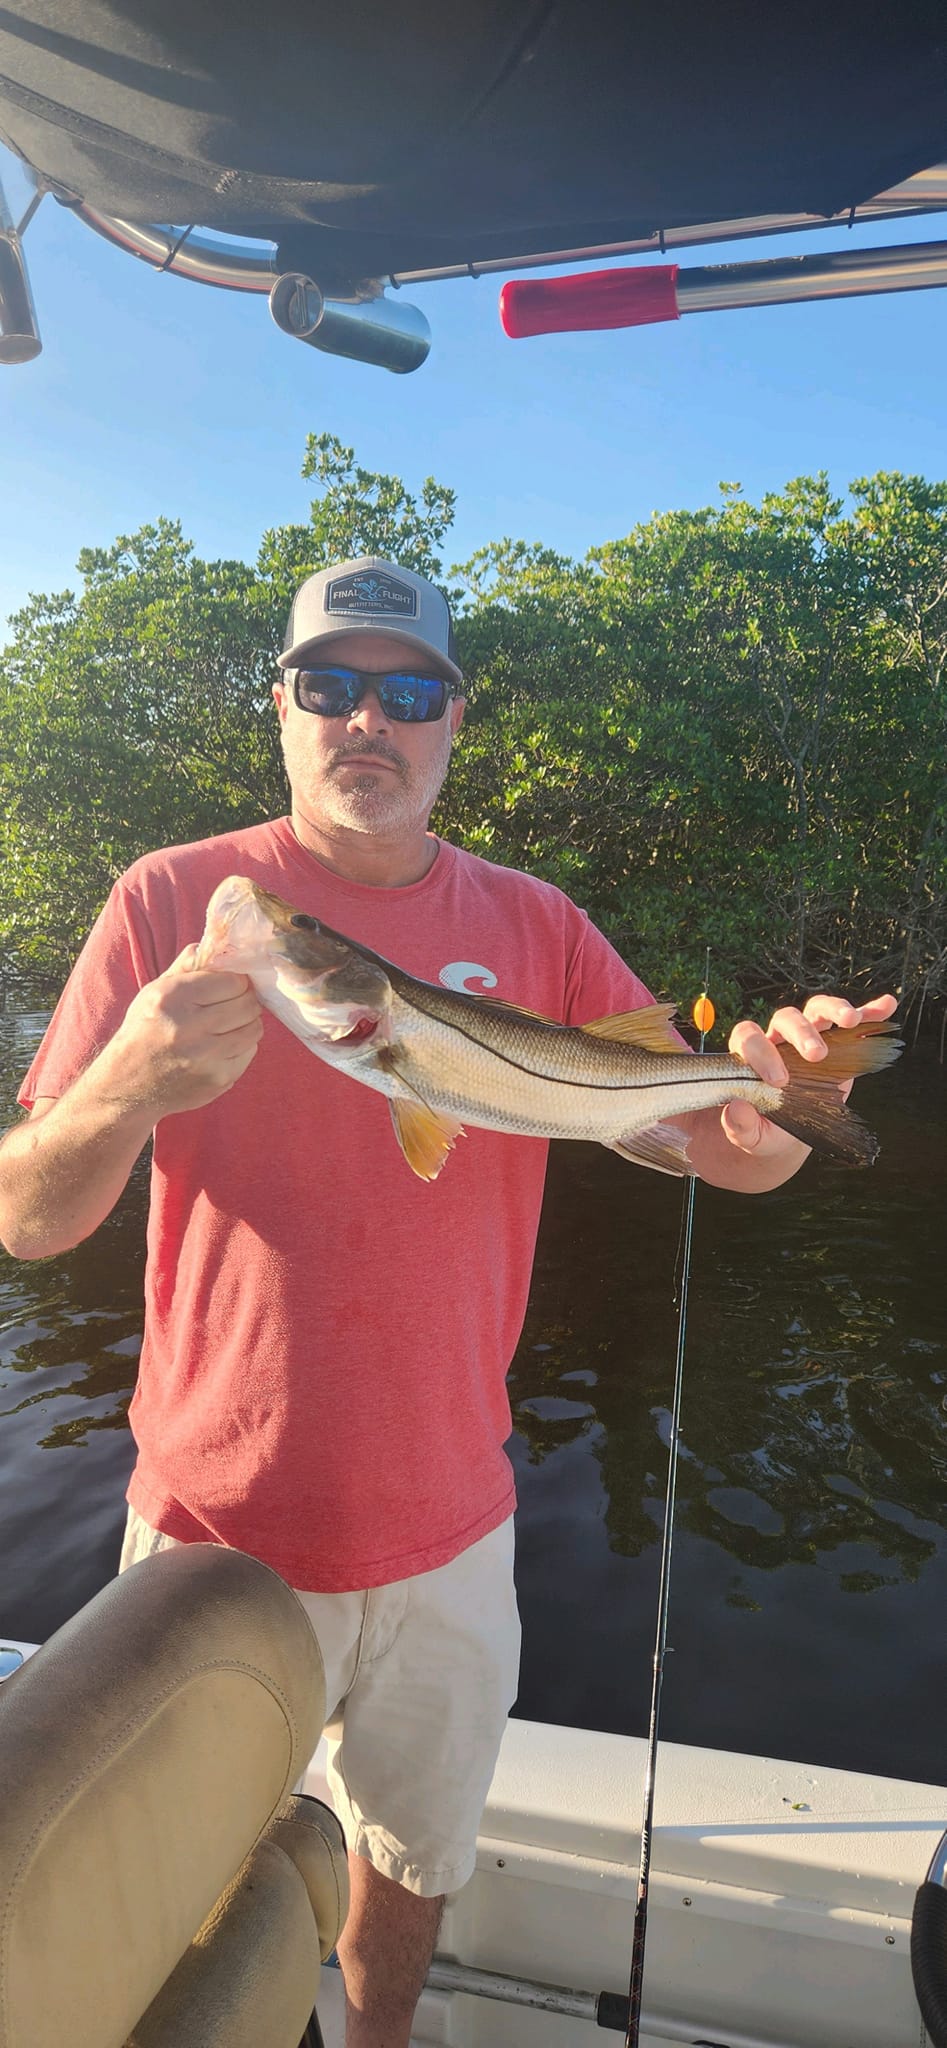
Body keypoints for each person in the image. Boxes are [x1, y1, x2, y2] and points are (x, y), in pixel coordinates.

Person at [0, 556, 895, 2046]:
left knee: (410, 1870)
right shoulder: (170, 902)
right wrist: (125, 1086)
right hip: (217, 1537)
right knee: (190, 1898)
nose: (369, 720)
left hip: (452, 1532)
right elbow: (31, 1220)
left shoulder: (535, 922)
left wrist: (781, 1097)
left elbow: (719, 1155)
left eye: (407, 693)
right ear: (282, 710)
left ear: (455, 722)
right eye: (330, 687)